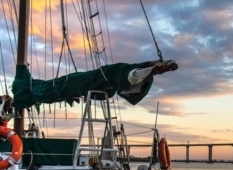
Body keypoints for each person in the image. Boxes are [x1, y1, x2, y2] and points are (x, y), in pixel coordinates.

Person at [12, 59, 178, 111]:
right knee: (105, 74)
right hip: (90, 81)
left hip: (87, 81)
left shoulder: (102, 77)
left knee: (106, 74)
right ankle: (148, 68)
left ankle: (148, 68)